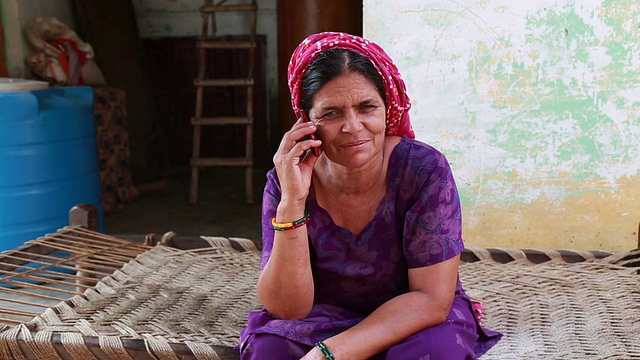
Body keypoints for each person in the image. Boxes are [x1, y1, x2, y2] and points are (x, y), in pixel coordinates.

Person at [238, 32, 502, 359]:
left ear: (386, 108)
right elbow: (287, 308)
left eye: (367, 107)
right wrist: (292, 201)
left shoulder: (422, 170)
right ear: (306, 122)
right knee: (270, 349)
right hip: (323, 315)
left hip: (411, 317)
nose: (352, 126)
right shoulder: (286, 181)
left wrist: (329, 354)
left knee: (432, 353)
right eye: (331, 113)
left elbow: (431, 299)